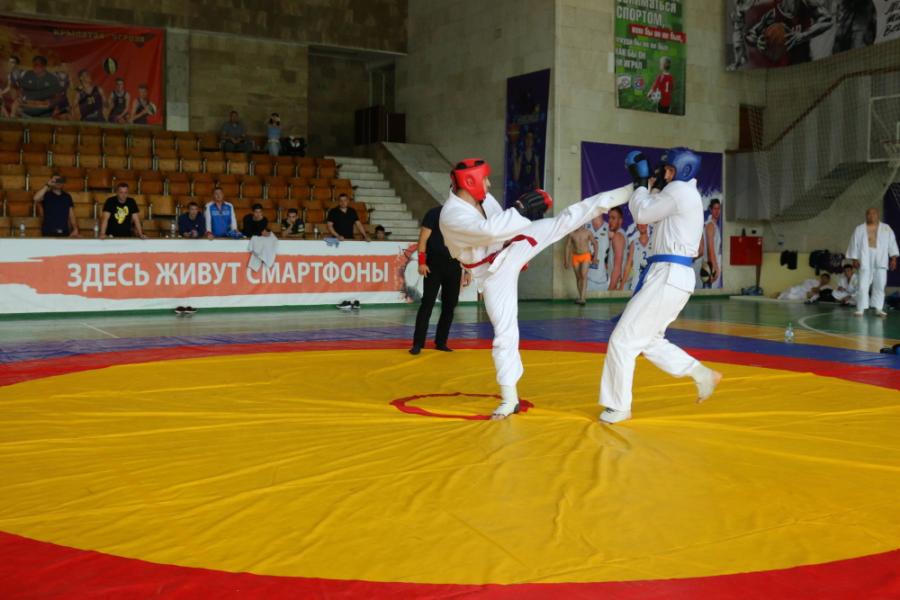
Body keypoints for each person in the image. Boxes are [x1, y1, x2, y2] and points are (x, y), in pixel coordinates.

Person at [439, 158, 632, 419]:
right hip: (492, 273)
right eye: (484, 179)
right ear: (470, 182)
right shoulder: (451, 215)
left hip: (513, 248)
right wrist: (522, 209)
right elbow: (490, 231)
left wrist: (524, 233)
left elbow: (503, 227)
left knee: (566, 219)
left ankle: (631, 189)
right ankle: (509, 399)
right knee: (505, 331)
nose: (489, 184)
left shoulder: (483, 199)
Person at [599, 148, 722, 425]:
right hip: (672, 276)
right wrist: (649, 186)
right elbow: (652, 208)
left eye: (668, 170)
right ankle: (701, 373)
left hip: (668, 274)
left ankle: (618, 407)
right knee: (649, 340)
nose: (664, 174)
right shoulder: (681, 193)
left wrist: (641, 183)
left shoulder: (679, 191)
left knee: (622, 340)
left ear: (682, 171)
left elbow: (642, 213)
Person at [410, 205, 470, 355]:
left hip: (455, 264)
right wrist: (421, 262)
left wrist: (468, 270)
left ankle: (441, 342)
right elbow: (423, 239)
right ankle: (418, 343)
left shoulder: (464, 216)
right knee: (427, 303)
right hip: (434, 265)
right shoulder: (434, 213)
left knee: (450, 305)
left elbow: (468, 244)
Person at [845, 207, 899, 317]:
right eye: (869, 214)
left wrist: (893, 258)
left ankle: (878, 308)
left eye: (874, 213)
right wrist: (854, 259)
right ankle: (861, 308)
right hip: (865, 257)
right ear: (866, 216)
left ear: (878, 215)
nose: (871, 215)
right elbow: (854, 244)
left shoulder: (886, 228)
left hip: (881, 257)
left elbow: (892, 243)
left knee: (880, 284)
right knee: (862, 285)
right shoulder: (859, 229)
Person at [564, 225, 597, 305]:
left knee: (583, 275)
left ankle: (582, 298)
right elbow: (567, 246)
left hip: (586, 255)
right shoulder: (572, 233)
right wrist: (566, 260)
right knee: (578, 277)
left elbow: (595, 244)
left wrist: (595, 257)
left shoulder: (588, 232)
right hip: (575, 256)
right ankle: (581, 297)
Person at [625, 223, 653, 291]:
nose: (642, 226)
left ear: (647, 225)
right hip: (636, 285)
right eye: (639, 224)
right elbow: (628, 264)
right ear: (637, 227)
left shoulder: (653, 242)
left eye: (643, 224)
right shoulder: (633, 243)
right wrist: (622, 284)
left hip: (650, 284)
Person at [702, 199, 723, 288]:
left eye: (718, 208)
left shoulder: (714, 226)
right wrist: (715, 267)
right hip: (709, 266)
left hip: (710, 264)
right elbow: (710, 249)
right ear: (711, 210)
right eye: (715, 208)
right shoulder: (710, 225)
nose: (717, 211)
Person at [606, 206, 628, 290]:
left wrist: (610, 291)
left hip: (617, 286)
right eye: (609, 218)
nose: (610, 221)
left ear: (620, 221)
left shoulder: (618, 236)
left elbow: (617, 268)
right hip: (618, 284)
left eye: (613, 218)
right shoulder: (619, 235)